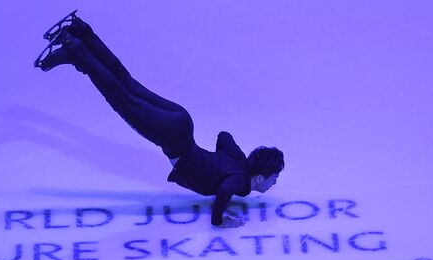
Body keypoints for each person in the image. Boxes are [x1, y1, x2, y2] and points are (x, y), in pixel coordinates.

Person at [35, 12, 284, 228]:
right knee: (120, 97)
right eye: (274, 178)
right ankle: (75, 49)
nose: (275, 183)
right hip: (173, 138)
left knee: (126, 83)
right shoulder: (241, 183)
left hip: (183, 121)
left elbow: (224, 136)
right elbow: (224, 191)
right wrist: (219, 220)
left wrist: (217, 160)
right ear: (260, 177)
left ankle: (82, 32)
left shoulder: (238, 160)